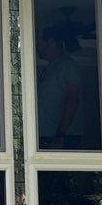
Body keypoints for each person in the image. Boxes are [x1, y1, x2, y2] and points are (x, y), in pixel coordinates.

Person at [38, 21, 89, 149]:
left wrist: (60, 135)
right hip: (47, 136)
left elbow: (72, 100)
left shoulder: (67, 66)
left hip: (60, 139)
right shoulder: (50, 68)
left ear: (51, 42)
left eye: (40, 42)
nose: (37, 47)